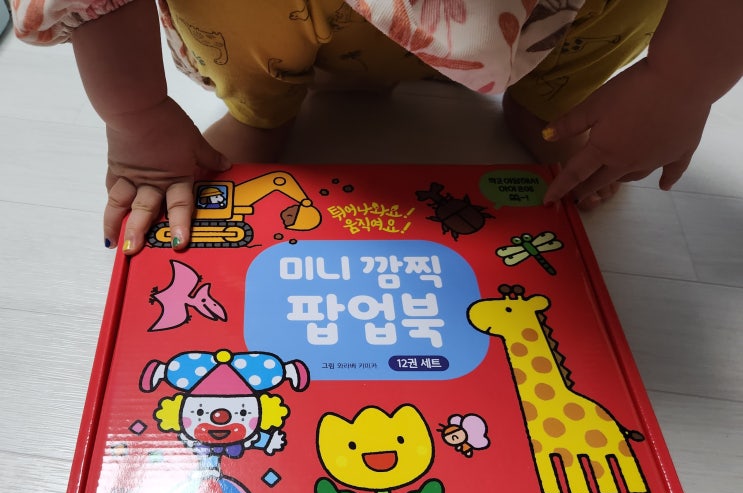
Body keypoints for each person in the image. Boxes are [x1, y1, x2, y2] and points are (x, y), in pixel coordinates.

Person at [11, 1, 743, 255]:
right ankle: (265, 107)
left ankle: (548, 101)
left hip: (546, 22)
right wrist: (137, 119)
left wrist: (678, 83)